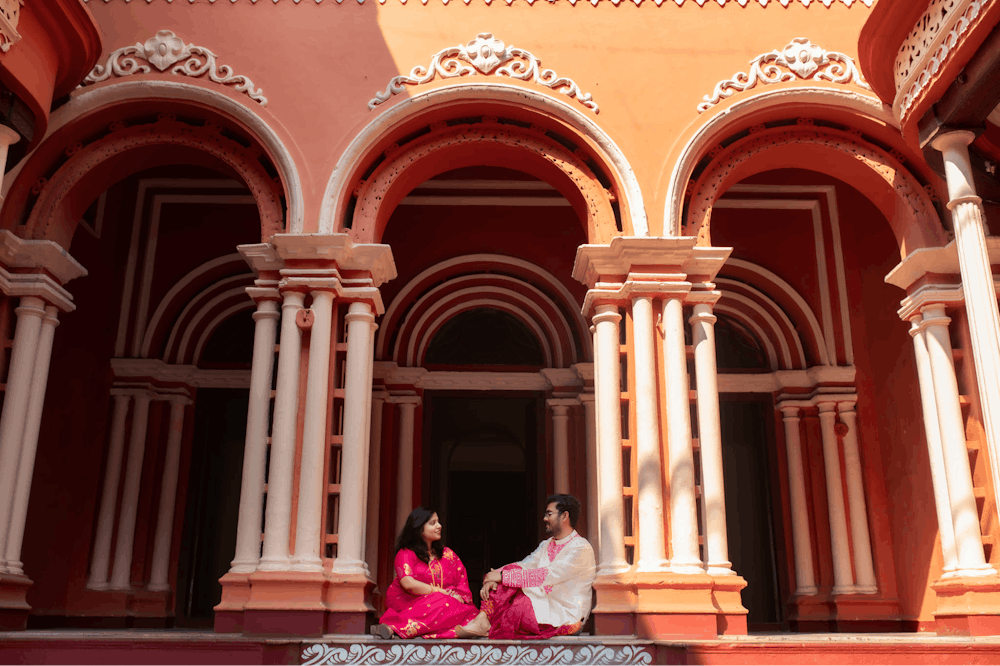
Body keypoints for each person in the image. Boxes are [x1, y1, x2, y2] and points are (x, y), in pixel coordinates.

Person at [455, 494, 596, 639]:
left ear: (565, 516)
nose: (545, 518)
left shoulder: (580, 548)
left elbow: (548, 575)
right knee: (510, 588)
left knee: (513, 609)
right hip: (542, 603)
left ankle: (484, 623)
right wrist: (494, 576)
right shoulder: (546, 544)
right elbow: (524, 564)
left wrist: (503, 577)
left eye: (549, 514)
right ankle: (482, 620)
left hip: (565, 613)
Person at [370, 507, 479, 639]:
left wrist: (458, 596)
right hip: (409, 602)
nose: (439, 526)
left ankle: (396, 629)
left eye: (438, 522)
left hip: (446, 603)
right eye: (432, 523)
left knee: (469, 612)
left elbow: (461, 582)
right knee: (444, 603)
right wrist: (441, 592)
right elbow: (408, 583)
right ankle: (394, 626)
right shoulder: (406, 553)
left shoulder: (448, 554)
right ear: (419, 528)